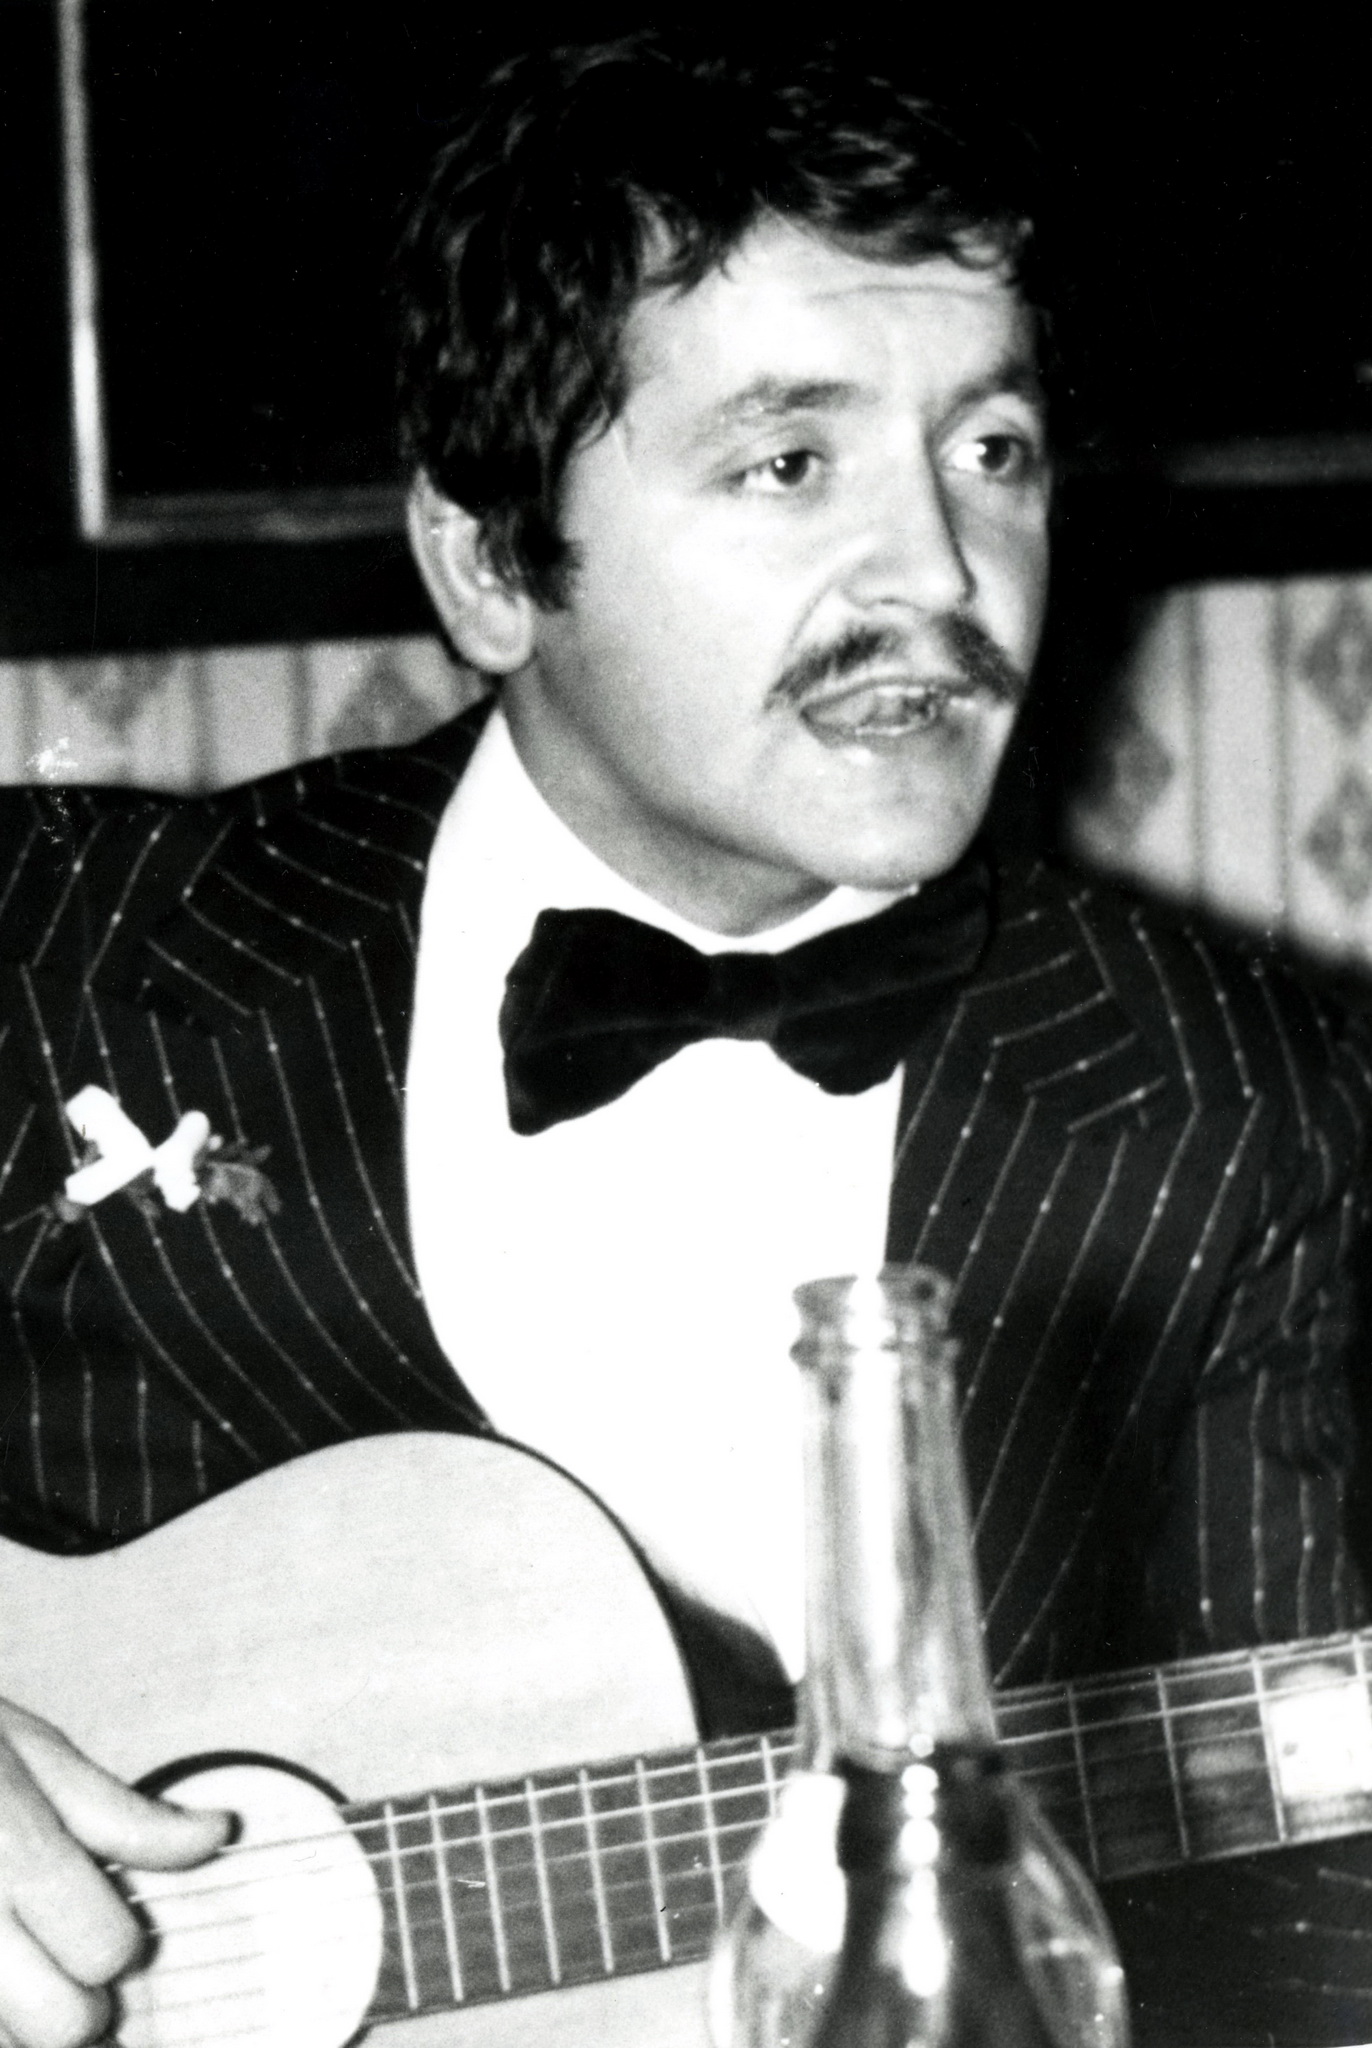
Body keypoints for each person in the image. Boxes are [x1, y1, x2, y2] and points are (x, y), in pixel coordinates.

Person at [1, 31, 1371, 2048]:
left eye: (990, 449)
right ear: (489, 564)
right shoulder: (58, 951)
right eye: (788, 462)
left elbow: (1311, 1946)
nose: (938, 572)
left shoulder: (1236, 1107)